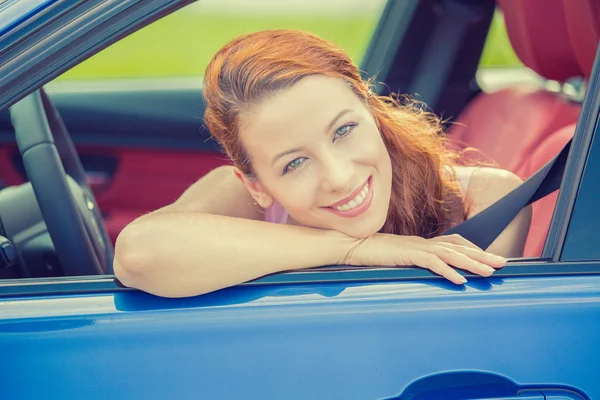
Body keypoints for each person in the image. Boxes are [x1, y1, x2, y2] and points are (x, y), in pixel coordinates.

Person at [113, 30, 532, 298]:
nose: (339, 177)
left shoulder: (485, 200)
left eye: (344, 130)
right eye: (294, 163)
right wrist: (356, 249)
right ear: (256, 185)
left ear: (371, 111)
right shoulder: (240, 195)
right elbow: (138, 254)